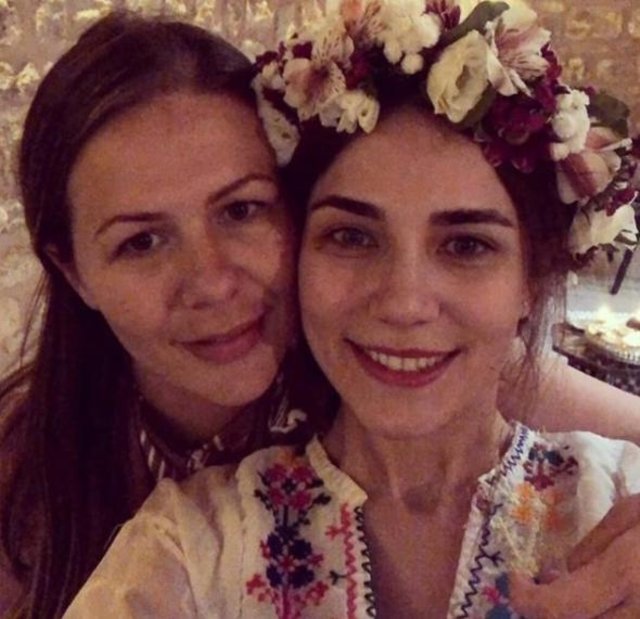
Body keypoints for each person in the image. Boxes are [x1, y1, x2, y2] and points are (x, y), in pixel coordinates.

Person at [2, 6, 640, 618]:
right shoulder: (45, 475)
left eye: (242, 210)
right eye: (141, 241)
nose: (213, 283)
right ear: (73, 272)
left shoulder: (462, 381)